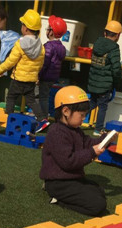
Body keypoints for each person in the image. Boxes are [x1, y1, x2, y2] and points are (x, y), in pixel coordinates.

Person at [40, 86, 108, 216]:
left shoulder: (75, 130)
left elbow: (89, 142)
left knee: (99, 190)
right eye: (81, 115)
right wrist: (92, 152)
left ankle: (61, 195)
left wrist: (106, 139)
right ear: (65, 111)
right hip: (58, 182)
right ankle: (58, 200)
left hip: (73, 179)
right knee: (98, 205)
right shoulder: (57, 132)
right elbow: (68, 162)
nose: (83, 118)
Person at [0, 9, 48, 133]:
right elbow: (40, 64)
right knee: (31, 101)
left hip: (18, 79)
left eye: (22, 24)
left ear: (26, 28)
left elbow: (11, 61)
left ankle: (9, 119)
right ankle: (42, 119)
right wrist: (36, 75)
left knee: (11, 97)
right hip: (31, 80)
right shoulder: (40, 46)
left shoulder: (20, 43)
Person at [38, 15, 67, 118]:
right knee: (46, 97)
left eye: (48, 28)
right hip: (53, 77)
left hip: (45, 77)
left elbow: (44, 64)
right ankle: (44, 116)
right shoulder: (61, 47)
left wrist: (38, 76)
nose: (46, 30)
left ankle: (42, 117)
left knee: (42, 97)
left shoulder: (48, 46)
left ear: (51, 32)